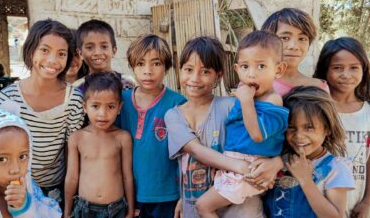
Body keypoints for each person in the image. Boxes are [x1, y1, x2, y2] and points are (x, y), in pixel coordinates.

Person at [165, 36, 283, 218]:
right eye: (188, 69)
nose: (194, 79)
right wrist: (244, 168)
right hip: (195, 202)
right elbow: (195, 151)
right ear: (178, 71)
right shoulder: (173, 116)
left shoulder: (232, 106)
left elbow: (266, 136)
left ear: (218, 76)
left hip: (240, 207)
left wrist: (273, 164)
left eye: (205, 71)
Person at [196, 31, 288, 218]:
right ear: (237, 69)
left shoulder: (272, 100)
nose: (251, 74)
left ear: (278, 70)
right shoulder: (249, 94)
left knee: (203, 206)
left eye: (261, 66)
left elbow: (257, 134)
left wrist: (246, 101)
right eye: (245, 67)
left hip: (249, 167)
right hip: (235, 164)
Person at [0, 19, 85, 205]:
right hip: (14, 186)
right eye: (44, 50)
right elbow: (0, 147)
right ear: (31, 50)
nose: (52, 60)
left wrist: (69, 199)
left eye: (61, 53)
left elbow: (71, 151)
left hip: (53, 190)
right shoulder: (8, 97)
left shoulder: (73, 99)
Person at [120, 34, 186, 218]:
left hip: (168, 195)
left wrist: (184, 196)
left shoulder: (178, 103)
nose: (147, 71)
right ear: (132, 66)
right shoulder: (120, 102)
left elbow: (188, 154)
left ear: (166, 67)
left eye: (156, 63)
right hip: (129, 193)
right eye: (140, 64)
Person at [264, 86, 355, 218]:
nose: (299, 136)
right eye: (291, 127)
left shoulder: (336, 168)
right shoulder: (280, 161)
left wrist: (305, 179)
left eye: (309, 128)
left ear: (328, 128)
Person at [313, 37, 370, 218]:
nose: (346, 75)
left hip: (355, 201)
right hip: (316, 199)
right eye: (337, 68)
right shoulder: (316, 107)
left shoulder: (368, 111)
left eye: (354, 67)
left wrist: (368, 201)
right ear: (325, 70)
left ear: (364, 69)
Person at [65, 72, 133, 218]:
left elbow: (127, 176)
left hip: (117, 209)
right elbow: (72, 177)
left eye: (110, 107)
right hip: (84, 209)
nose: (102, 114)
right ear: (84, 106)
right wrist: (67, 211)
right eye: (95, 106)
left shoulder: (122, 138)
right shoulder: (77, 138)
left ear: (119, 108)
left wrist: (131, 210)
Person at [0, 108, 61, 217]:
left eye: (22, 157)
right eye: (2, 159)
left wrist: (24, 208)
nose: (16, 169)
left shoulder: (32, 192)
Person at [261, 8, 329, 96]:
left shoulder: (319, 88)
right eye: (284, 38)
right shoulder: (258, 84)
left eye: (302, 39)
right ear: (267, 41)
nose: (294, 46)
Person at [73, 19, 135, 92]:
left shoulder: (127, 82)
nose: (97, 53)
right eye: (89, 47)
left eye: (104, 47)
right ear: (80, 53)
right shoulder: (77, 88)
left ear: (114, 51)